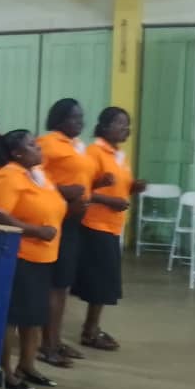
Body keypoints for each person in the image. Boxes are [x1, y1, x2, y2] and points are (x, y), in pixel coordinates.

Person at [0, 130, 67, 389]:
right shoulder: (8, 176)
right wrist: (36, 231)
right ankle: (5, 370)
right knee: (13, 315)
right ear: (17, 153)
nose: (39, 148)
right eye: (32, 145)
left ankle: (27, 365)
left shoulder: (38, 173)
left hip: (44, 256)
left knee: (34, 316)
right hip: (19, 255)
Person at [72, 107, 147, 351]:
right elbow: (84, 190)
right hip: (95, 223)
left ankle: (92, 327)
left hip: (113, 225)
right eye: (120, 123)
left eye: (127, 124)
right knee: (100, 281)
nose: (126, 128)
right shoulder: (94, 152)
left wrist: (133, 187)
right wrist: (109, 201)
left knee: (104, 280)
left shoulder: (120, 155)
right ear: (104, 126)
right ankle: (90, 331)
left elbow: (119, 187)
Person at [37, 99, 95, 368]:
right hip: (55, 218)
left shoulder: (77, 145)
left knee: (63, 285)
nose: (80, 123)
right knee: (55, 285)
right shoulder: (48, 143)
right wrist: (63, 191)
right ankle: (47, 345)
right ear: (59, 119)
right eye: (74, 117)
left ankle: (56, 340)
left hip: (74, 221)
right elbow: (33, 177)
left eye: (81, 117)